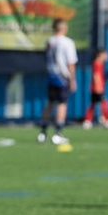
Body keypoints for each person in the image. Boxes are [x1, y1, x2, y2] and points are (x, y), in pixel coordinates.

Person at [37, 17, 77, 145]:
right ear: (63, 28)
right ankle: (58, 133)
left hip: (51, 75)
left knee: (49, 103)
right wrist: (72, 79)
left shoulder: (50, 41)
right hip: (62, 76)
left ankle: (42, 132)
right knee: (62, 103)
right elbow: (70, 63)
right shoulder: (67, 42)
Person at [84, 49, 108, 128]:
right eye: (105, 55)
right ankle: (106, 120)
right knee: (104, 103)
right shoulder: (97, 63)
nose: (106, 56)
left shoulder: (100, 64)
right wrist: (98, 86)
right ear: (100, 54)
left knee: (94, 104)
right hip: (97, 88)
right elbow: (96, 75)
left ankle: (88, 121)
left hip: (97, 87)